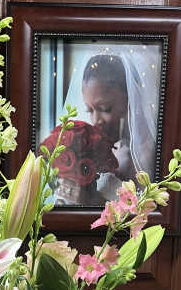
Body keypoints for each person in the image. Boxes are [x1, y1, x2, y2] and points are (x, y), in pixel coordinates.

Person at [60, 45, 160, 203]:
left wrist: (91, 200)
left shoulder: (146, 154)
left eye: (104, 109)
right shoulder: (93, 146)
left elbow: (146, 211)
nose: (95, 120)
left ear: (130, 99)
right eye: (89, 110)